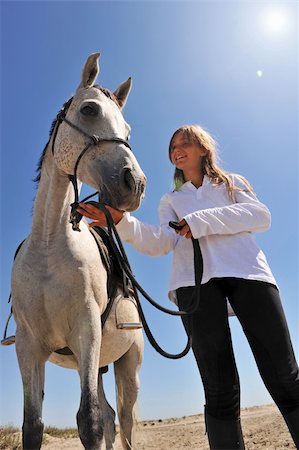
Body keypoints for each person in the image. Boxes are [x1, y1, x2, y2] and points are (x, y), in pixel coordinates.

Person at [77, 124, 299, 449]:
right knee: (219, 389)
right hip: (194, 287)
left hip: (250, 275)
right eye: (173, 147)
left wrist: (199, 222)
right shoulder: (171, 200)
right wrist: (122, 221)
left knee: (285, 377)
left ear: (203, 148)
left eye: (185, 143)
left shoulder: (231, 183)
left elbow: (258, 215)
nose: (177, 150)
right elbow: (161, 242)